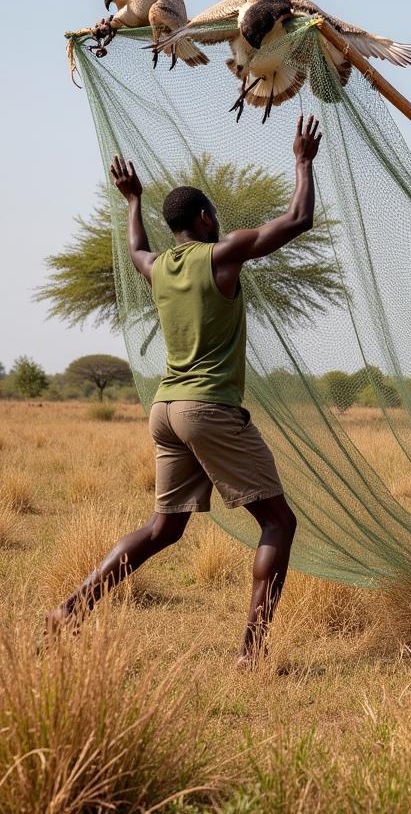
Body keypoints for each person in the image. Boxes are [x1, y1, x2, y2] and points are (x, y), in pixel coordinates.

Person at [47, 115, 323, 669]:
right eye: (214, 215)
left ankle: (68, 612)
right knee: (278, 522)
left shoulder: (157, 269)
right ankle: (251, 654)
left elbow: (135, 251)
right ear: (204, 217)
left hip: (165, 410)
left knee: (163, 529)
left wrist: (132, 202)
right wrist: (303, 160)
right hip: (208, 409)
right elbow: (297, 218)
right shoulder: (219, 256)